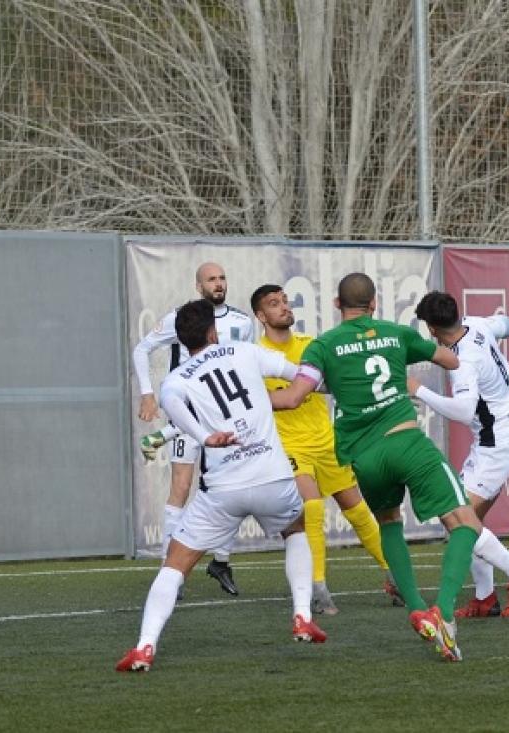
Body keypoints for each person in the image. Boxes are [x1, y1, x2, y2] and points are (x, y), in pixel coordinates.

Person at [270, 273, 509, 662]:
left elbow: (295, 396)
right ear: (374, 303)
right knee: (463, 521)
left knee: (389, 522)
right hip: (407, 442)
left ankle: (416, 608)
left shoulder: (324, 345)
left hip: (364, 457)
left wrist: (259, 402)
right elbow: (450, 357)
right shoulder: (395, 333)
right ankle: (443, 611)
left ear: (335, 305)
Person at [116, 300, 326, 673]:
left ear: (180, 340)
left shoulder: (176, 379)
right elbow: (302, 378)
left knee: (176, 564)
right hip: (272, 477)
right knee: (296, 531)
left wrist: (205, 435)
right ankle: (302, 615)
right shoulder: (246, 351)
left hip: (223, 488)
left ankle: (145, 646)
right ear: (213, 331)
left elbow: (172, 407)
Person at [251, 284, 402, 613]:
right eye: (274, 304)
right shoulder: (255, 355)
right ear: (261, 316)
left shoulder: (312, 345)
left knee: (360, 512)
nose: (284, 308)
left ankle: (396, 576)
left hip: (327, 442)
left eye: (285, 302)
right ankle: (318, 589)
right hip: (290, 448)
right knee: (313, 510)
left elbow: (339, 383)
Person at [409, 290, 509, 618]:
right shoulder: (476, 324)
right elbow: (508, 324)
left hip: (497, 447)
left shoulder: (463, 360)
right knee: (472, 519)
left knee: (456, 519)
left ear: (433, 330)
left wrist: (419, 391)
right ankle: (485, 598)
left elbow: (465, 411)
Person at [131, 262, 255, 596]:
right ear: (198, 286)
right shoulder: (182, 319)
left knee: (233, 484)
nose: (218, 284)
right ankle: (169, 568)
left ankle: (222, 561)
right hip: (187, 414)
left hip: (225, 417)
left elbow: (247, 365)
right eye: (211, 279)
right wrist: (147, 393)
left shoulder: (242, 322)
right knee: (181, 486)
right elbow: (142, 349)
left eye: (222, 278)